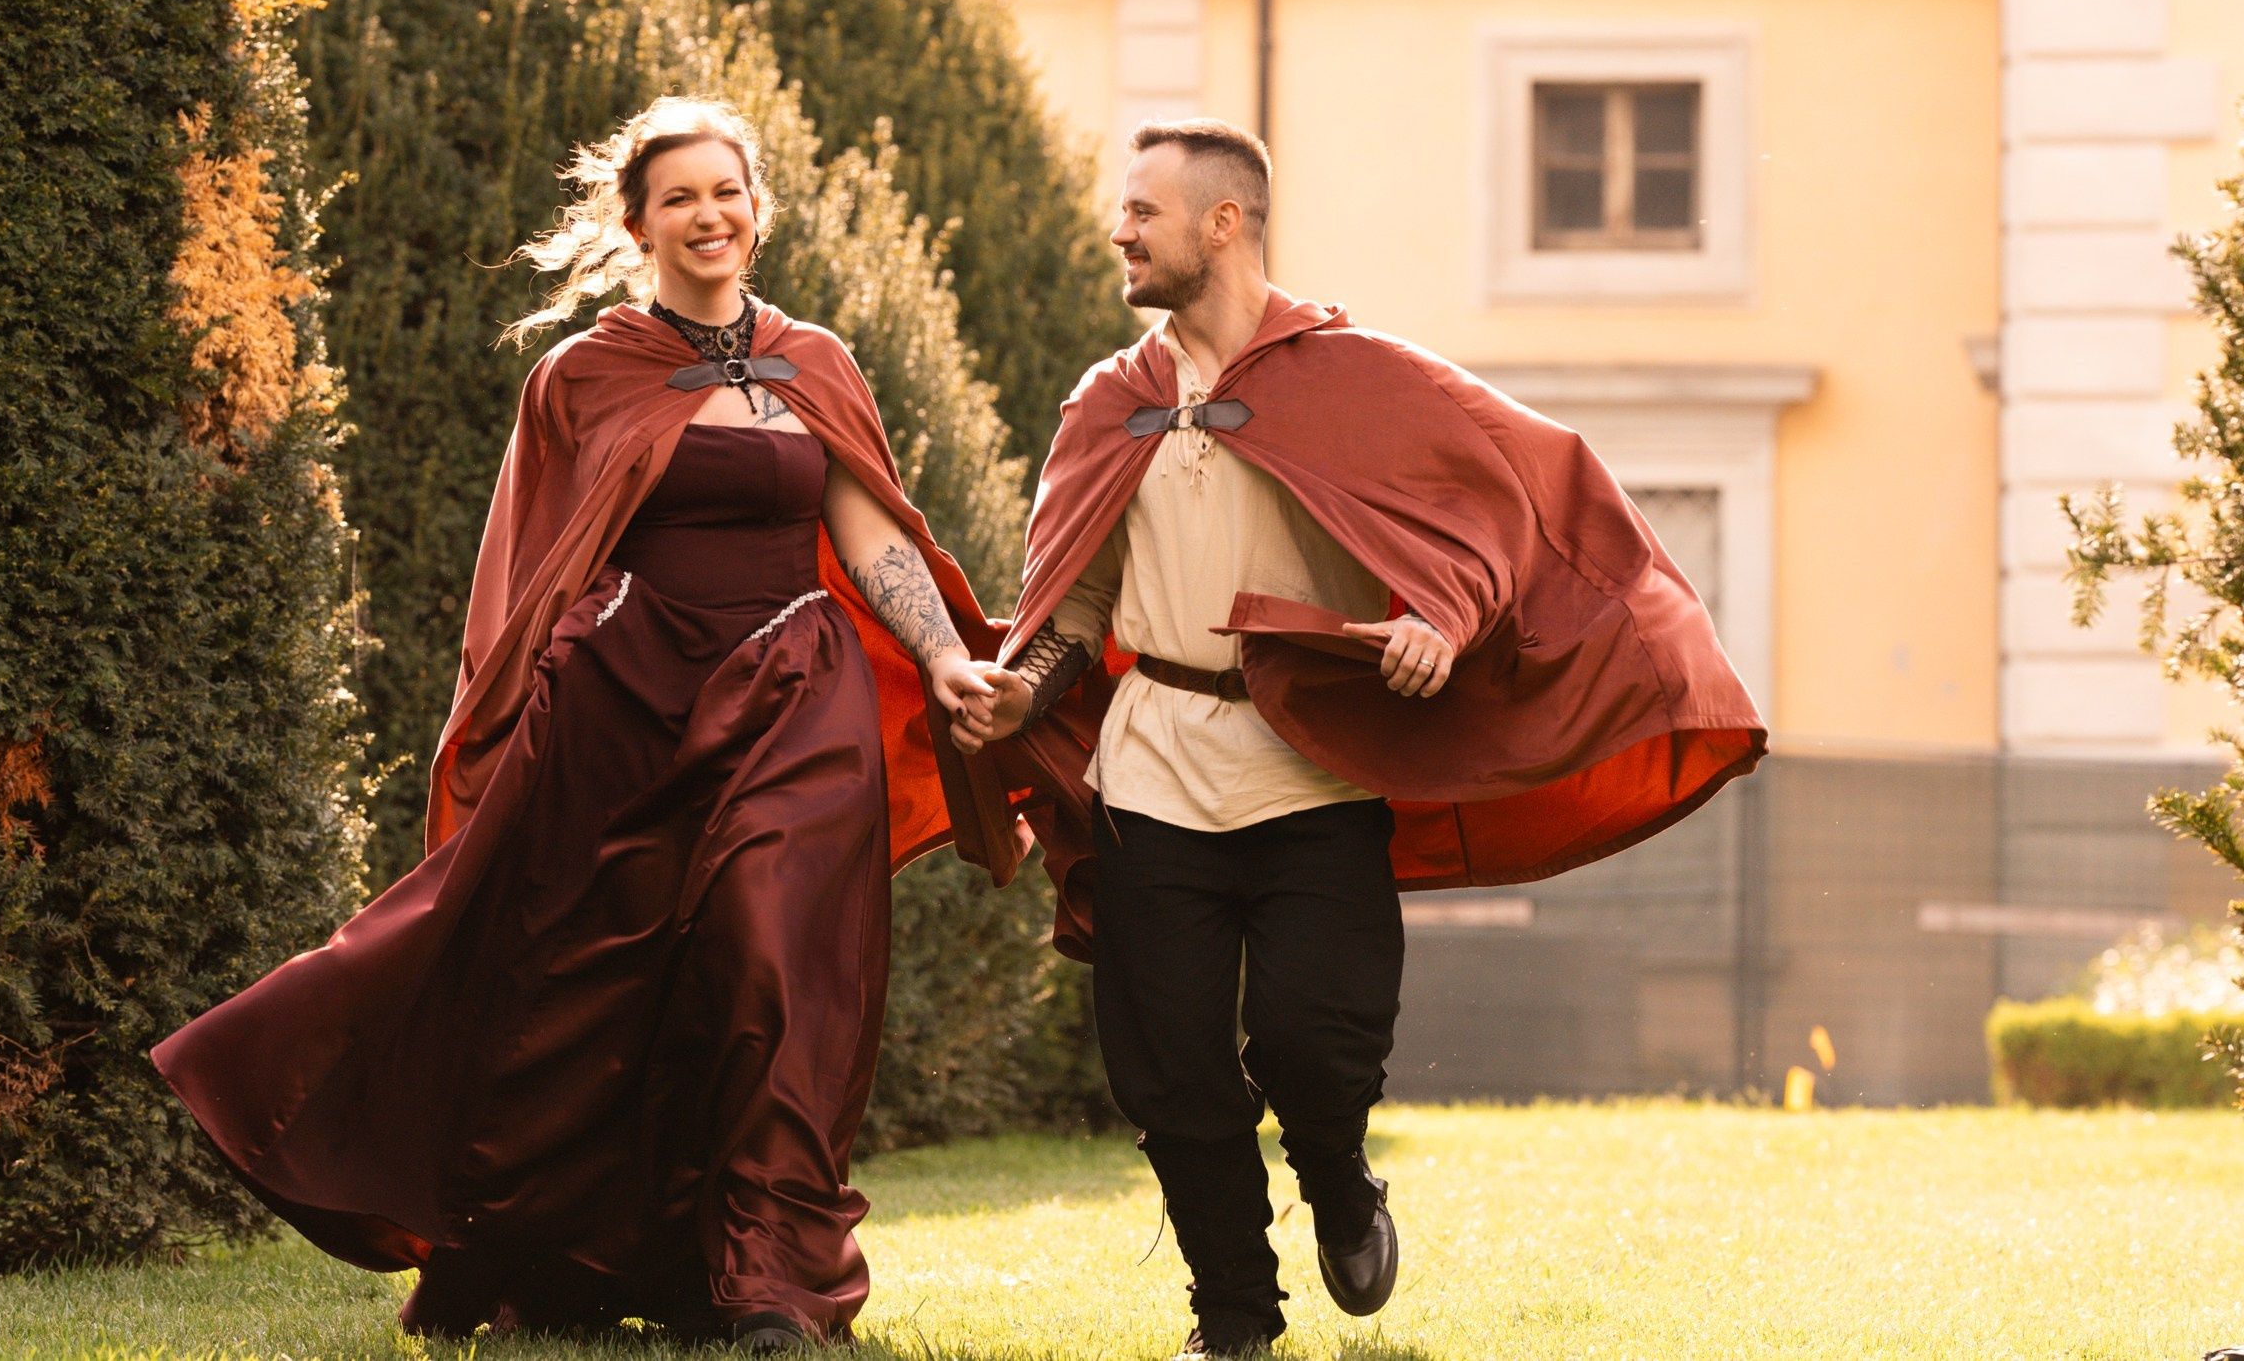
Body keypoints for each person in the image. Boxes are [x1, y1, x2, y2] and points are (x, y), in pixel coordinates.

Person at [155, 96, 1000, 1349]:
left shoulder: (817, 363)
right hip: (634, 700)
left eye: (727, 192)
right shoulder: (585, 372)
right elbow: (535, 561)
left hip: (793, 693)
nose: (708, 216)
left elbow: (870, 530)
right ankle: (574, 1254)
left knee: (772, 953)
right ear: (638, 223)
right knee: (604, 984)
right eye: (680, 199)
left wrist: (940, 654)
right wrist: (530, 699)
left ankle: (767, 1275)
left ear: (755, 208)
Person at [947, 118, 1765, 1357]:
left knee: (1313, 1046)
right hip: (1153, 773)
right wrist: (1021, 690)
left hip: (1314, 775)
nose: (1120, 231)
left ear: (1223, 224)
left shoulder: (1365, 378)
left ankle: (1337, 1180)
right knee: (1166, 1070)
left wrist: (1442, 615)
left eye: (1144, 213)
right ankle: (1232, 1315)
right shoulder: (1107, 404)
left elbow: (1494, 510)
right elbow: (1075, 606)